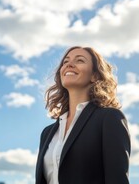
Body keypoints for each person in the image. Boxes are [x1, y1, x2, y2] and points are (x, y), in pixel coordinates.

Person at [35, 46, 131, 184]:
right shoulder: (47, 133)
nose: (69, 64)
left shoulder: (109, 118)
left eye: (80, 60)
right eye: (65, 61)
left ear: (95, 76)